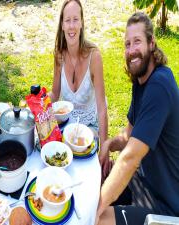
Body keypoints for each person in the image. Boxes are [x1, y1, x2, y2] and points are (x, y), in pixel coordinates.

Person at [97, 12, 179, 225]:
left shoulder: (160, 84)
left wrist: (96, 207)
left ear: (152, 44)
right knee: (91, 187)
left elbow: (130, 158)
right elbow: (129, 135)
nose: (131, 50)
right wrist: (108, 144)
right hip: (140, 185)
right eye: (127, 44)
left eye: (137, 42)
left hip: (162, 207)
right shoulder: (141, 81)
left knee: (94, 218)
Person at [50, 0, 108, 147]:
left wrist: (105, 148)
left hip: (90, 126)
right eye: (67, 20)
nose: (71, 26)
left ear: (82, 23)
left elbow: (102, 107)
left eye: (75, 20)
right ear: (62, 25)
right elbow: (55, 95)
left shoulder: (94, 57)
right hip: (66, 124)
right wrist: (39, 101)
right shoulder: (59, 55)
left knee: (80, 151)